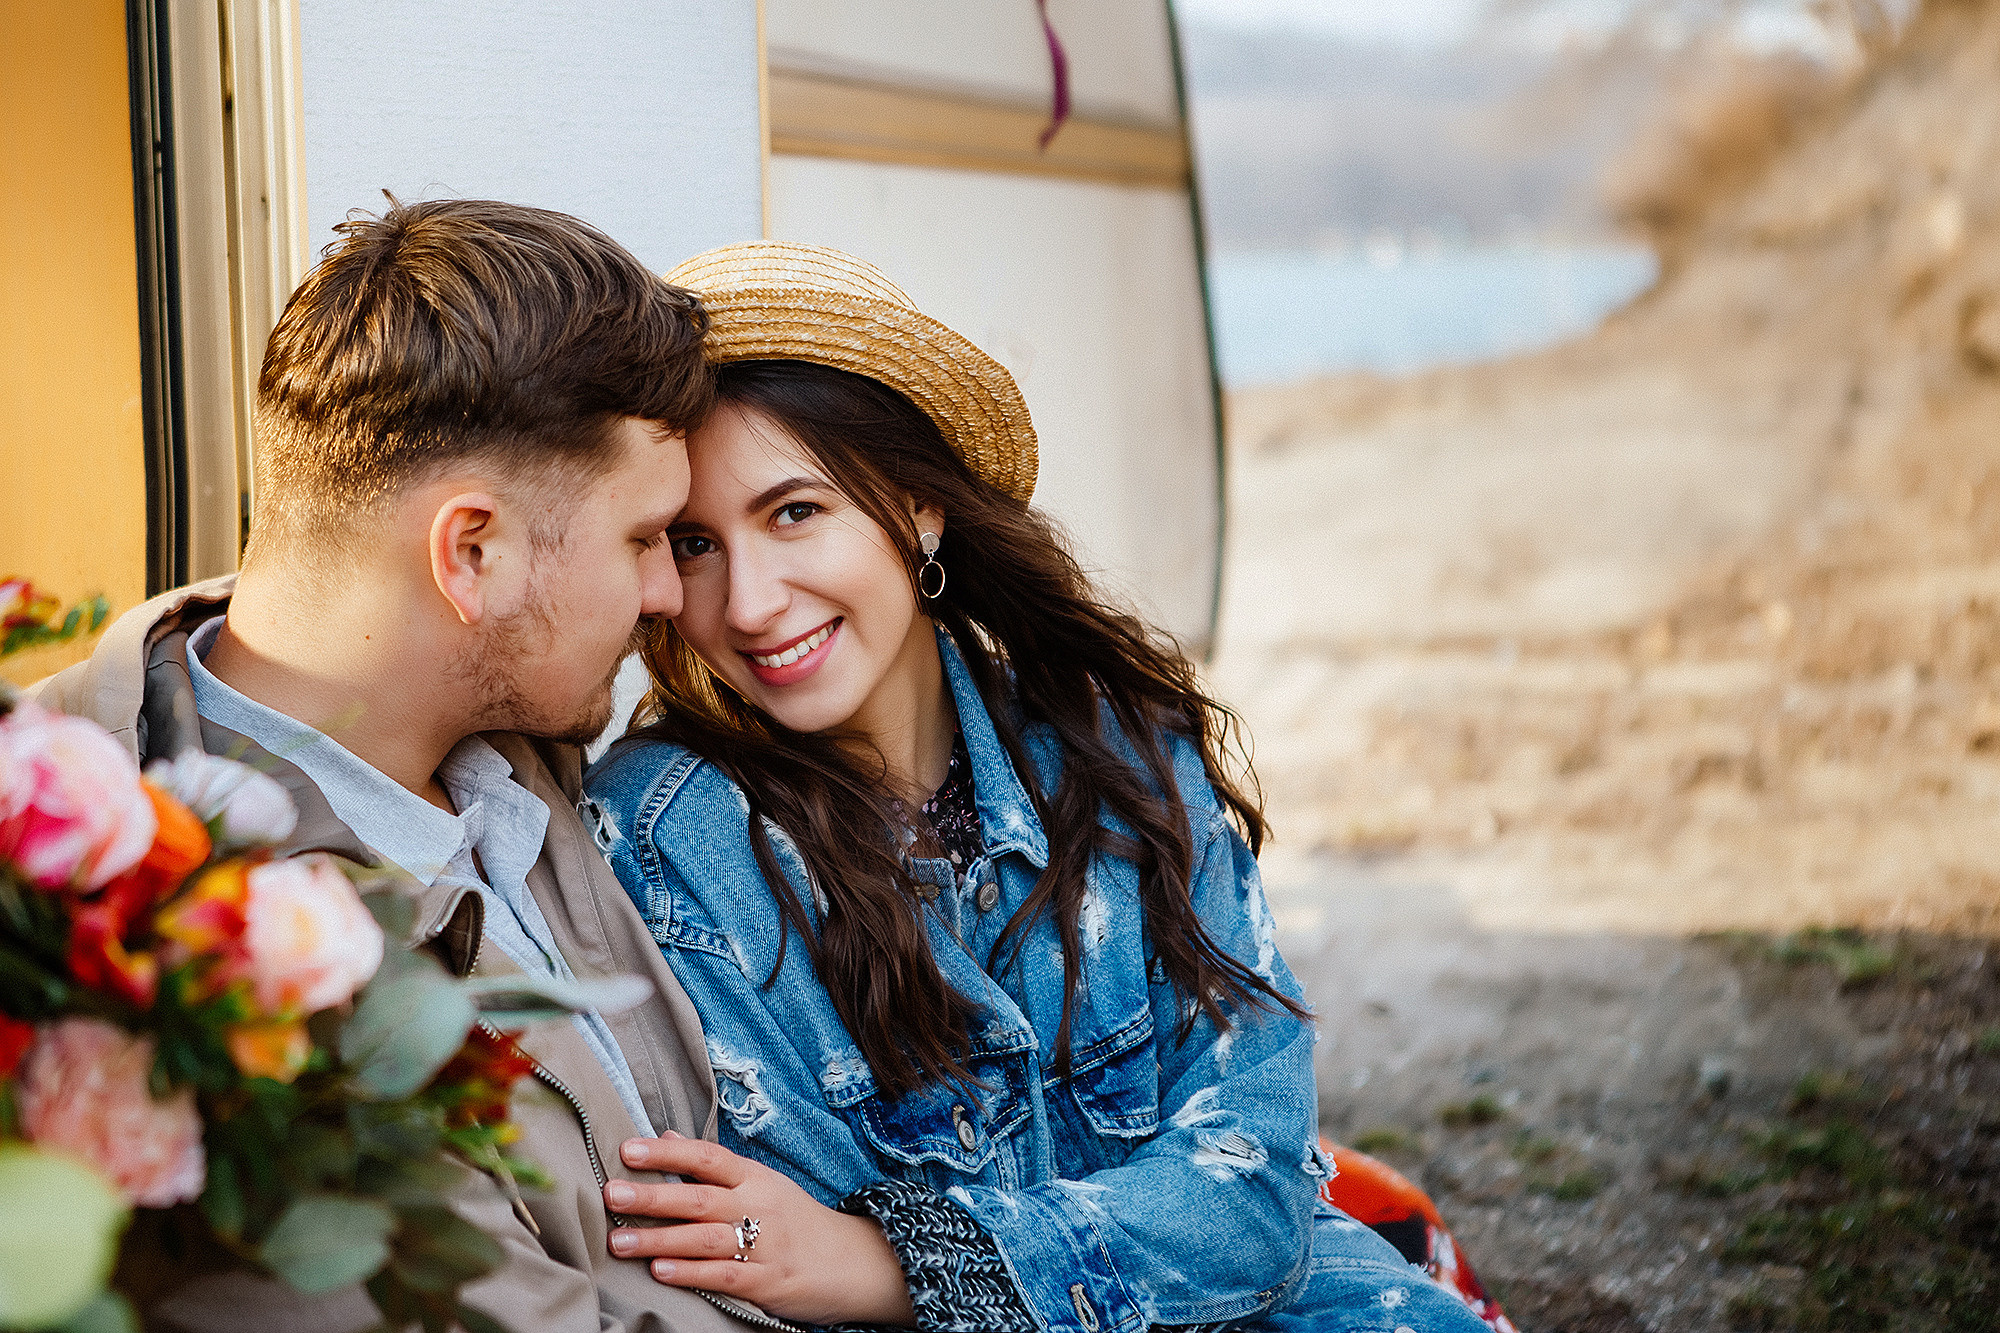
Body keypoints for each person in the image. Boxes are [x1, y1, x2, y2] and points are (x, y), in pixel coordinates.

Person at [584, 243, 1492, 1332]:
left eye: (794, 513)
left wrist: (897, 1263)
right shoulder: (673, 845)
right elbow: (775, 1242)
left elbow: (1254, 1195)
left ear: (916, 506)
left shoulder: (1113, 746)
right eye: (693, 544)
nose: (749, 604)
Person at [34, 200, 787, 1333]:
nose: (670, 598)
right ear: (470, 552)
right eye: (643, 540)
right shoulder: (164, 960)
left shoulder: (524, 752)